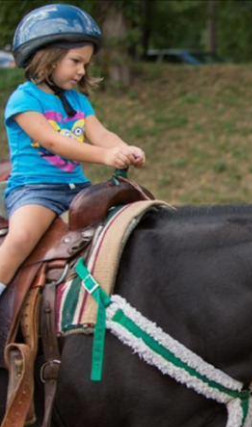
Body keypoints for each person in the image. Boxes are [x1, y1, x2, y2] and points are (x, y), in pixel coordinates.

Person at [0, 4, 145, 299]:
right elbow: (54, 142)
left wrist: (122, 148)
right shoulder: (24, 100)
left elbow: (100, 133)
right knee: (22, 238)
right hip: (36, 190)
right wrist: (104, 156)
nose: (81, 70)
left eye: (86, 64)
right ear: (47, 59)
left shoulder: (77, 101)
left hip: (78, 189)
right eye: (75, 61)